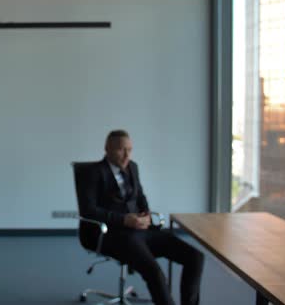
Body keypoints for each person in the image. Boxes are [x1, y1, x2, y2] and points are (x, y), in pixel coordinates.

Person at [80, 130, 203, 305]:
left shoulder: (133, 167)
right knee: (154, 272)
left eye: (130, 150)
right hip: (113, 233)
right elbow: (88, 210)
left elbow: (140, 197)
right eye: (121, 150)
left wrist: (145, 215)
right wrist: (124, 220)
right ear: (107, 148)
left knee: (195, 257)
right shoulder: (93, 172)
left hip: (140, 229)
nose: (126, 155)